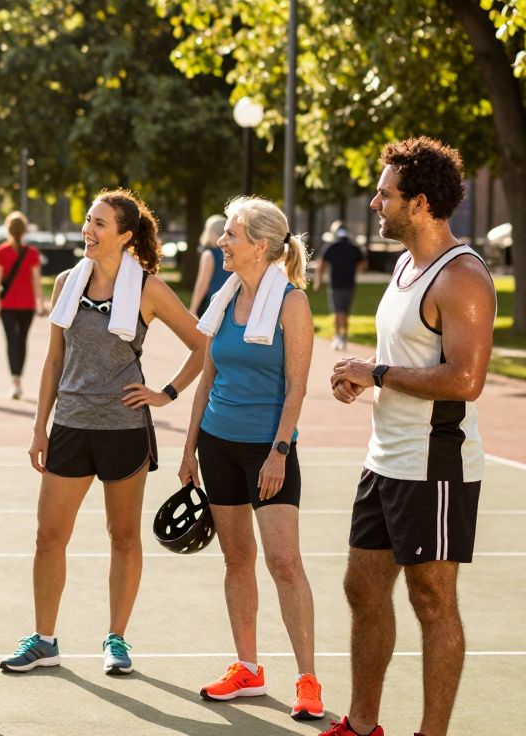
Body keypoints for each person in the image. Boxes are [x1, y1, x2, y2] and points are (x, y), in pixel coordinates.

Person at [324, 138, 494, 736]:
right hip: (385, 458)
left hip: (436, 464)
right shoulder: (403, 265)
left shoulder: (463, 276)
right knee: (362, 587)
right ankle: (363, 723)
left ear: (419, 203)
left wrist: (377, 374)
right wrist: (365, 380)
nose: (375, 202)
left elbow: (465, 380)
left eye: (385, 194)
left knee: (431, 600)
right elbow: (404, 359)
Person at [0, 189, 205, 676]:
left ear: (125, 236)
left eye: (99, 224)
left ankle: (116, 639)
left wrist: (166, 393)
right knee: (49, 536)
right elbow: (53, 360)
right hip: (69, 426)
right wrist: (38, 427)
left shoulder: (149, 289)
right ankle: (44, 639)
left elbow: (203, 345)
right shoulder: (67, 281)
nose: (88, 230)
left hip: (123, 429)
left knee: (123, 537)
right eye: (88, 221)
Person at [179, 196, 324, 720]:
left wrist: (280, 450)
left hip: (269, 450)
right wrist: (190, 447)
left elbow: (298, 386)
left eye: (232, 235)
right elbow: (208, 378)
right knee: (236, 559)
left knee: (285, 563)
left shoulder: (292, 303)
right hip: (217, 444)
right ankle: (248, 668)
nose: (222, 241)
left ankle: (308, 678)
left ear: (260, 246)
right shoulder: (226, 295)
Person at [0, 211, 48, 400]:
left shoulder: (0, 252)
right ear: (24, 231)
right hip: (28, 304)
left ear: (8, 229)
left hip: (7, 304)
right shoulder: (32, 253)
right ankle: (18, 380)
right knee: (22, 341)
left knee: (11, 341)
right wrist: (41, 304)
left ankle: (14, 382)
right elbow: (36, 281)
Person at [313, 223, 367, 350]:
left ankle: (338, 336)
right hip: (350, 284)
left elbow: (320, 265)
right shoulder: (354, 247)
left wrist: (318, 282)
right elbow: (363, 265)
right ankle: (344, 337)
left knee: (338, 311)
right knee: (345, 311)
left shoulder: (331, 246)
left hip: (335, 284)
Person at [188, 214, 230, 316]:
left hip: (213, 302)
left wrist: (193, 308)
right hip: (231, 300)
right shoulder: (231, 252)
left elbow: (203, 283)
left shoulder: (208, 254)